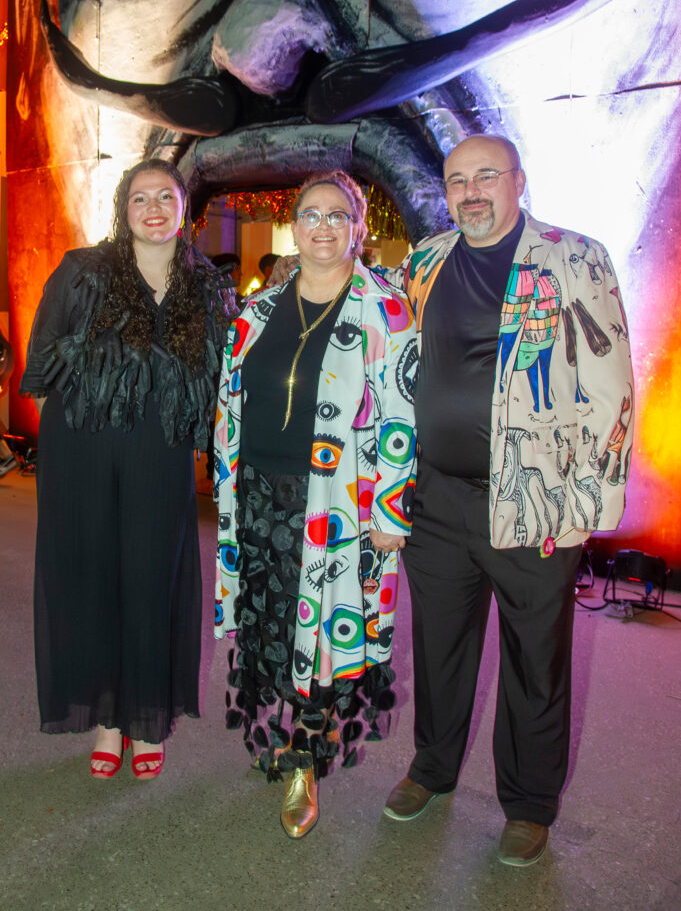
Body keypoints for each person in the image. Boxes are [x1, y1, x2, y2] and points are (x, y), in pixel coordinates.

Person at [377, 134, 634, 866]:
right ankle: (431, 768)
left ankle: (527, 804)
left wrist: (587, 503)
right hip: (435, 499)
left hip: (535, 501)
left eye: (486, 176)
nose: (470, 192)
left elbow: (611, 384)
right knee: (439, 649)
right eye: (457, 180)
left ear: (519, 181)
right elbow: (391, 363)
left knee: (534, 660)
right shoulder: (424, 260)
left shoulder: (572, 256)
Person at [213, 170, 417, 838]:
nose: (322, 226)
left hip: (338, 504)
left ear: (358, 228)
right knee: (271, 624)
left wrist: (390, 511)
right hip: (259, 498)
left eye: (337, 215)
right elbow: (230, 408)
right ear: (292, 228)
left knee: (325, 629)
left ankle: (305, 758)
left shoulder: (385, 310)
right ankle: (280, 735)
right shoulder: (256, 312)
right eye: (309, 215)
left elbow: (401, 418)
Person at [20, 158, 236, 779]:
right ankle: (109, 719)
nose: (153, 209)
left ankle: (146, 718)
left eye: (165, 197)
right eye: (140, 198)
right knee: (90, 574)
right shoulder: (82, 270)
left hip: (160, 448)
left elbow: (225, 377)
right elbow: (40, 359)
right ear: (124, 208)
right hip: (82, 442)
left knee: (149, 576)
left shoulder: (208, 286)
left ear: (183, 207)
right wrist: (103, 366)